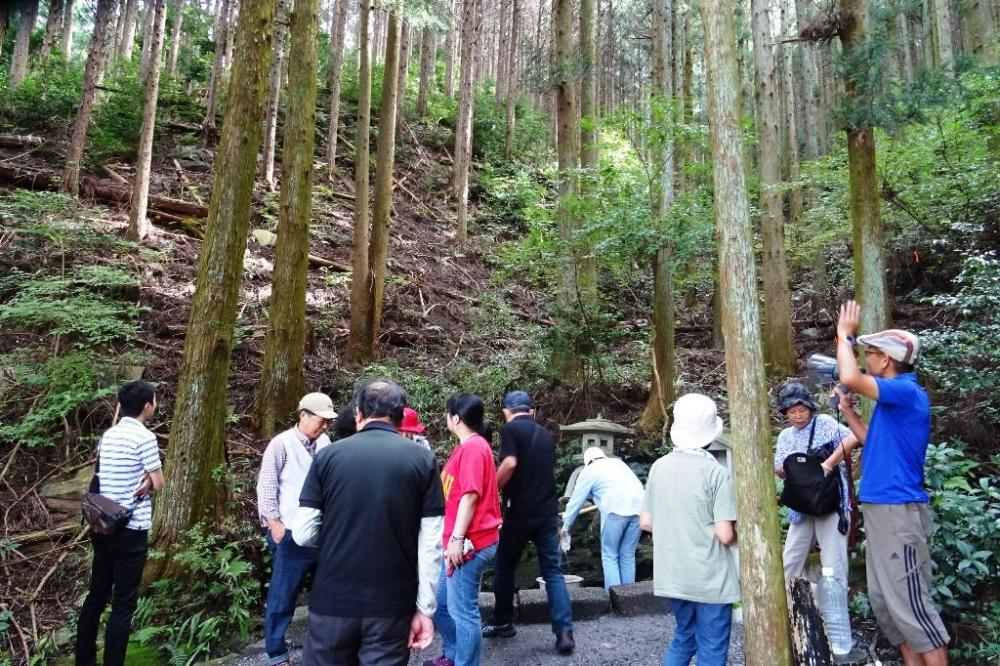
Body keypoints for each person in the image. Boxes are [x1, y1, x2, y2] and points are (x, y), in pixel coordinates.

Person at [291, 380, 444, 665]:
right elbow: (431, 544)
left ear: (358, 413)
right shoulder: (423, 461)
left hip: (332, 601)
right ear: (401, 417)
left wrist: (338, 534)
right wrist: (425, 609)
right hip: (392, 606)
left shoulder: (327, 457)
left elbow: (302, 533)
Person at [834, 301, 949, 666]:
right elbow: (872, 440)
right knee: (889, 608)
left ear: (887, 360)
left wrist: (844, 335)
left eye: (870, 353)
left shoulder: (906, 391)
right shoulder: (893, 400)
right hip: (882, 511)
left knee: (914, 611)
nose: (866, 358)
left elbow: (851, 377)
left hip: (899, 513)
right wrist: (850, 412)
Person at [639, 393, 739, 666]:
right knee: (712, 648)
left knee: (685, 636)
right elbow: (725, 535)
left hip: (673, 574)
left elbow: (646, 522)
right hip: (710, 577)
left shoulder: (659, 467)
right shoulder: (716, 472)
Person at [75, 381, 164, 666]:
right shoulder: (145, 438)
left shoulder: (109, 435)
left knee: (96, 595)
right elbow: (159, 483)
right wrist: (150, 479)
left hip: (102, 525)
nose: (156, 405)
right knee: (123, 605)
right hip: (130, 527)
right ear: (147, 406)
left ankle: (84, 659)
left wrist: (147, 479)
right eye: (155, 401)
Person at [482, 390, 575, 655]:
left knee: (504, 568)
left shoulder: (511, 430)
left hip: (519, 512)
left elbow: (510, 462)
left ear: (506, 411)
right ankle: (564, 632)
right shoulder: (546, 435)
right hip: (547, 513)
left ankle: (502, 622)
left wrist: (492, 489)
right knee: (553, 572)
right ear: (532, 410)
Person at [256, 392, 336, 666]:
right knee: (283, 593)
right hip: (289, 531)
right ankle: (276, 652)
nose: (324, 426)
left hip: (320, 532)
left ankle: (322, 646)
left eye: (328, 421)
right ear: (303, 416)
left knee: (325, 592)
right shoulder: (282, 444)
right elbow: (266, 487)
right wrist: (275, 525)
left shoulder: (325, 443)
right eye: (321, 420)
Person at [423, 394, 502, 666]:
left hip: (471, 542)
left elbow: (470, 496)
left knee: (463, 612)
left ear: (456, 418)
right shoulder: (466, 447)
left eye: (448, 414)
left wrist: (457, 539)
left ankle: (465, 662)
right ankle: (454, 655)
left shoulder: (473, 448)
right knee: (442, 604)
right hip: (459, 542)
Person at [773, 381, 860, 586]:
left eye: (801, 410)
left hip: (830, 502)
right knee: (791, 560)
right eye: (792, 411)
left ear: (810, 408)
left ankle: (835, 614)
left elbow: (853, 438)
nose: (798, 415)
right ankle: (789, 609)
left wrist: (828, 464)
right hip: (802, 505)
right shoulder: (786, 436)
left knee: (833, 563)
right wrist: (794, 467)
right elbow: (779, 468)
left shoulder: (824, 423)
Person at [561, 447, 645, 589]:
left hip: (615, 510)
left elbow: (575, 501)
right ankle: (629, 599)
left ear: (588, 462)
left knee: (610, 555)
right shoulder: (619, 464)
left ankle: (614, 601)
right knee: (628, 555)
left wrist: (566, 526)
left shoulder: (589, 470)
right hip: (640, 510)